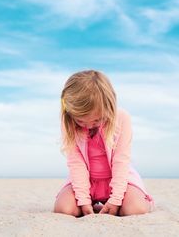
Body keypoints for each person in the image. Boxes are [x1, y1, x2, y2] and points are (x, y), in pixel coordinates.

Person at [54, 70, 154, 217]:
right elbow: (76, 163)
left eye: (96, 120)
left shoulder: (121, 118)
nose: (88, 126)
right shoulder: (68, 121)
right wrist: (83, 200)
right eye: (80, 120)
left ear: (109, 109)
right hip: (86, 182)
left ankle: (143, 199)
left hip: (119, 179)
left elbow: (121, 161)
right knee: (65, 210)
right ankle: (92, 202)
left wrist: (116, 199)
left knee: (134, 209)